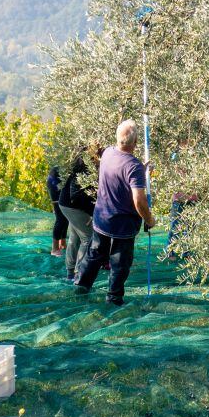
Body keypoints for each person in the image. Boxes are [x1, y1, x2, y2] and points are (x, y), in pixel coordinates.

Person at [74, 120, 156, 305]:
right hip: (123, 224)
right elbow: (139, 201)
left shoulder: (108, 153)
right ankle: (114, 298)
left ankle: (81, 286)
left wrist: (141, 171)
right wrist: (149, 219)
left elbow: (120, 173)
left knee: (94, 254)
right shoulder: (133, 166)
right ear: (135, 143)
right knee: (120, 263)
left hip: (102, 217)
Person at [57, 145, 102, 281]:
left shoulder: (80, 165)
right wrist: (91, 213)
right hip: (72, 206)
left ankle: (70, 272)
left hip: (66, 203)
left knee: (75, 237)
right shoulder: (86, 169)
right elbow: (76, 196)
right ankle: (79, 273)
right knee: (87, 238)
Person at [45, 167, 68, 257]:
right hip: (54, 181)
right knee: (60, 217)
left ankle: (62, 243)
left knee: (66, 216)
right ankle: (54, 248)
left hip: (63, 181)